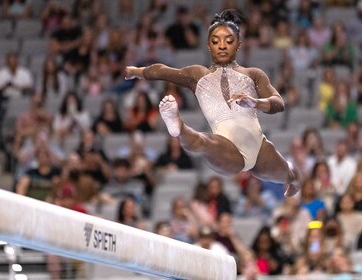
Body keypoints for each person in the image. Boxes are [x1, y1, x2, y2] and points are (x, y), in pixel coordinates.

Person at [125, 10, 299, 197]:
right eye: (215, 41)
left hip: (259, 148)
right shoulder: (197, 76)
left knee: (291, 176)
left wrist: (256, 103)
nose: (222, 46)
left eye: (229, 41)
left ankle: (294, 183)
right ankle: (178, 128)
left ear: (239, 44)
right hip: (225, 147)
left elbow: (278, 102)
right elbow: (162, 71)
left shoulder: (253, 74)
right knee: (203, 142)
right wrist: (135, 71)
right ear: (208, 45)